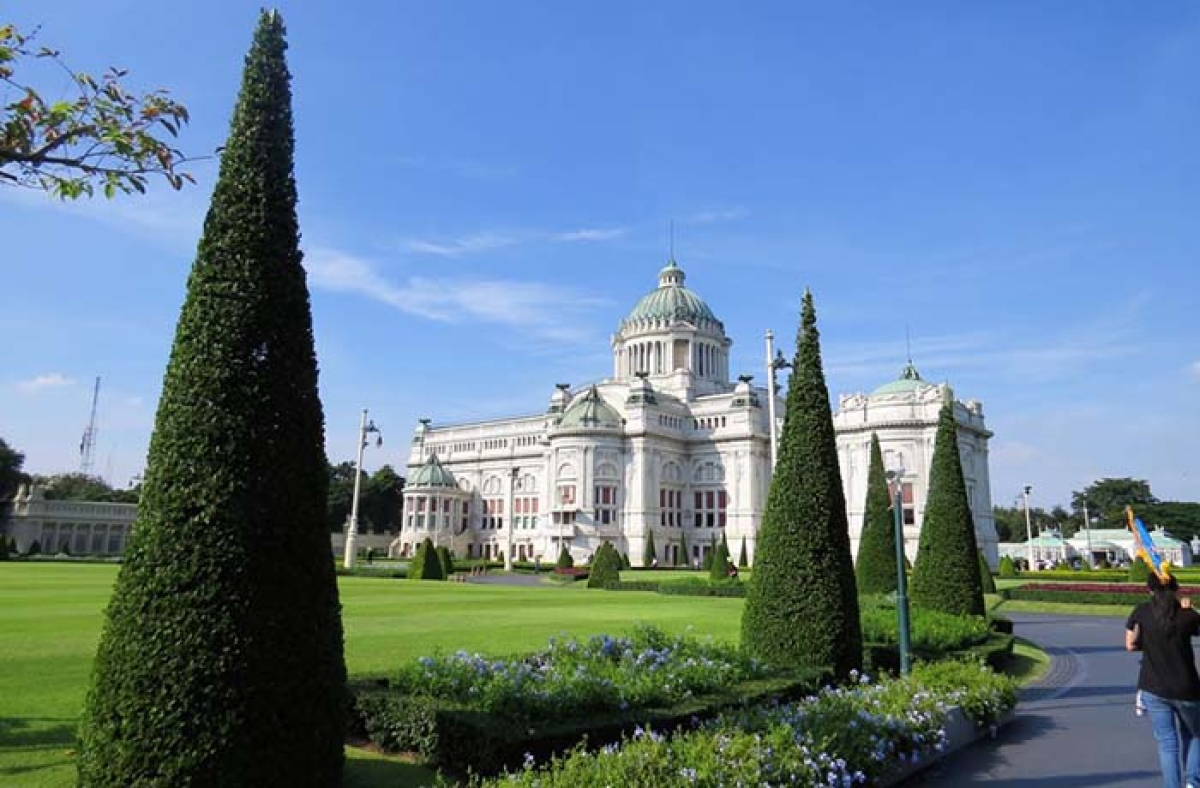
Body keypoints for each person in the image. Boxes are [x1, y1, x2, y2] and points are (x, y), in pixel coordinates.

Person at [1126, 573, 1200, 788]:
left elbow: (1130, 644)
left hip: (1154, 687)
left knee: (1167, 744)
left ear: (1149, 590)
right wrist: (1191, 611)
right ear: (1176, 589)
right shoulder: (1186, 616)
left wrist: (1147, 644)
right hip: (1187, 688)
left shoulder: (1142, 611)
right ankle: (1193, 783)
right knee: (1195, 734)